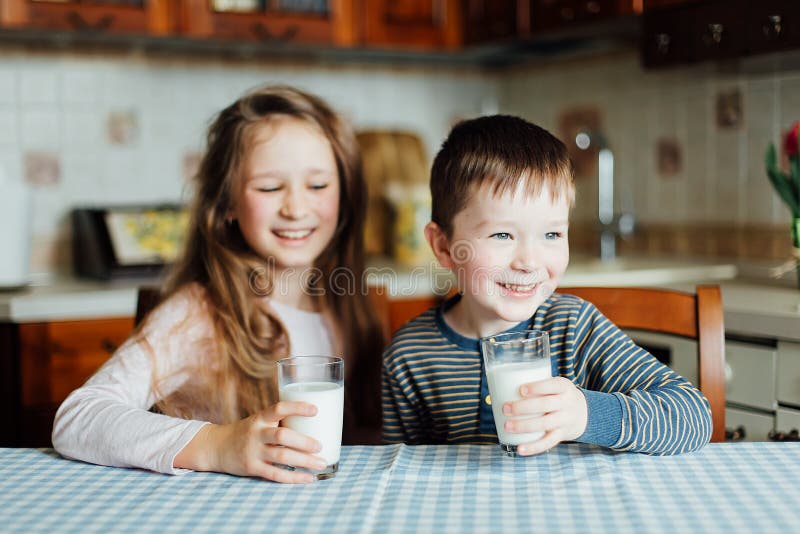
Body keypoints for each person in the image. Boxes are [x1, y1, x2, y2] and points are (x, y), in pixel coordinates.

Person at [53, 85, 385, 483]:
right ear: (226, 203)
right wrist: (218, 444)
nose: (296, 207)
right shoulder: (200, 314)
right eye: (269, 187)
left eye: (317, 185)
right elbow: (79, 417)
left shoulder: (349, 305)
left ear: (345, 198)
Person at [381, 115, 711, 455]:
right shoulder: (409, 356)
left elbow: (693, 416)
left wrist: (586, 414)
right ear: (443, 247)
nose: (529, 261)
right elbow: (400, 469)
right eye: (502, 234)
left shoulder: (574, 328)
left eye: (551, 233)